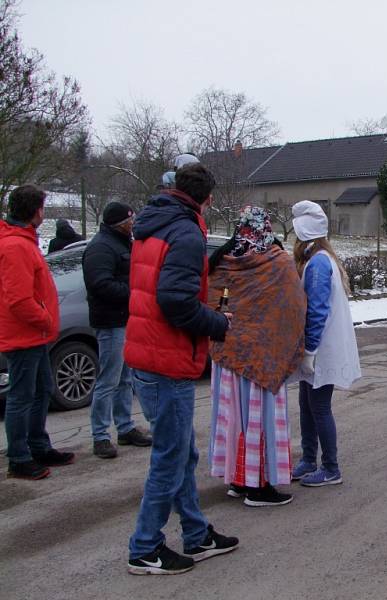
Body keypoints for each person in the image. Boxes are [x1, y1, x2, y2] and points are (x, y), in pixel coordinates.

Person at [123, 163, 238, 575]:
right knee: (171, 457)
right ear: (207, 198)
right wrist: (218, 324)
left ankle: (195, 532)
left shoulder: (153, 224)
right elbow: (174, 301)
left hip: (148, 354)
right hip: (165, 359)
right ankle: (145, 546)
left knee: (181, 452)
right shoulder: (186, 232)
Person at [207, 206, 306, 507]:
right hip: (262, 357)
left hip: (229, 358)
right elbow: (294, 306)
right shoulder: (277, 262)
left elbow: (216, 303)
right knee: (258, 420)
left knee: (234, 419)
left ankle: (239, 478)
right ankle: (258, 486)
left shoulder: (223, 260)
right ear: (267, 227)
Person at [1, 185, 75, 480]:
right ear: (36, 212)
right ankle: (19, 456)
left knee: (43, 389)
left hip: (34, 335)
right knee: (22, 395)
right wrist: (45, 319)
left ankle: (38, 445)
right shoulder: (15, 246)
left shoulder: (23, 241)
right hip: (24, 335)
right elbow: (19, 300)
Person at [289, 200, 361, 487]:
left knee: (318, 407)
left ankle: (331, 467)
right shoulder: (320, 258)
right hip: (319, 348)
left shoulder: (318, 262)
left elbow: (317, 310)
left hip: (320, 349)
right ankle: (308, 459)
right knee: (307, 405)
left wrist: (309, 350)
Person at [83, 201, 151, 459]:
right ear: (120, 223)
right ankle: (100, 435)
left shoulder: (123, 243)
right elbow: (100, 284)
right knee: (108, 380)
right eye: (130, 219)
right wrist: (134, 293)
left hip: (125, 320)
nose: (133, 224)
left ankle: (125, 427)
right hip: (111, 322)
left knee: (125, 378)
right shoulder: (101, 247)